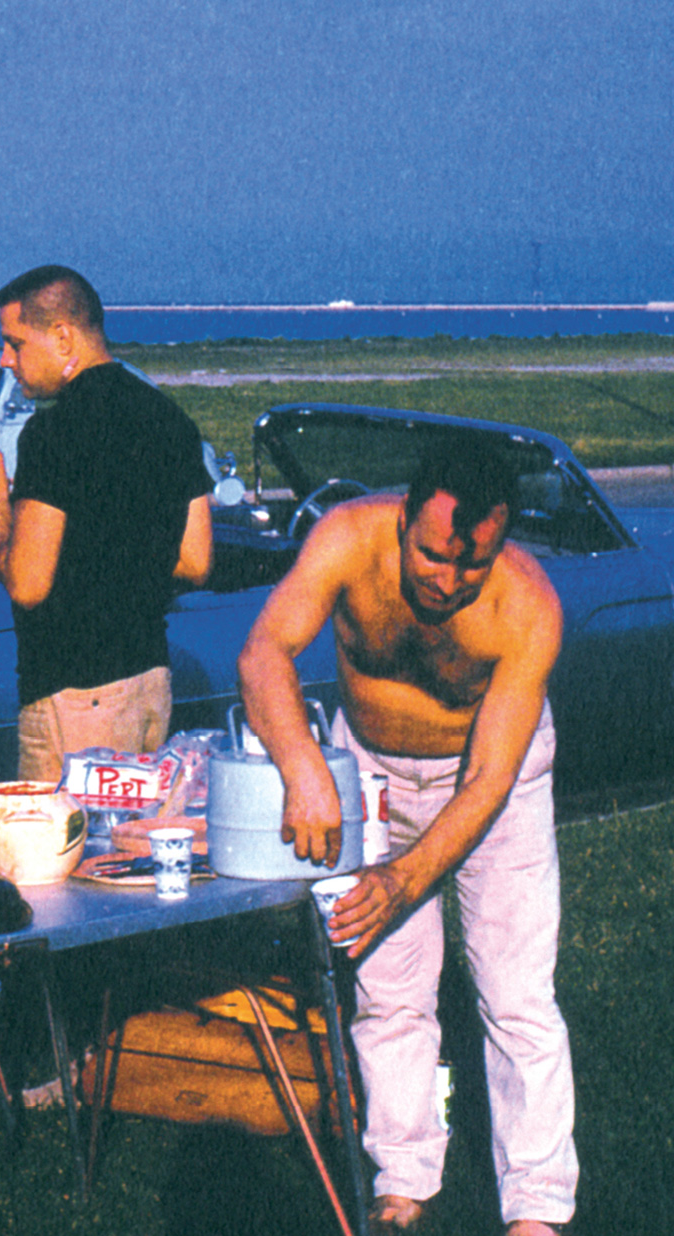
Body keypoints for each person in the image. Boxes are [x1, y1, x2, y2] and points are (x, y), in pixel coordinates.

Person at [236, 436, 576, 1236]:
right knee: (389, 991)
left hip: (496, 783)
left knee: (517, 994)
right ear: (405, 518)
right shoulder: (348, 538)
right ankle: (404, 1175)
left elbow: (491, 778)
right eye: (432, 555)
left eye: (472, 564)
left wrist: (404, 879)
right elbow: (264, 653)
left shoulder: (528, 605)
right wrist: (304, 765)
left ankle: (536, 1205)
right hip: (373, 772)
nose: (447, 580)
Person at [0, 266, 213, 781]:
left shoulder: (54, 433)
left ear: (61, 336)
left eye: (14, 343)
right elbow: (196, 561)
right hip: (149, 681)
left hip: (71, 692)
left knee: (60, 851)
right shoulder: (170, 420)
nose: (7, 361)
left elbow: (29, 585)